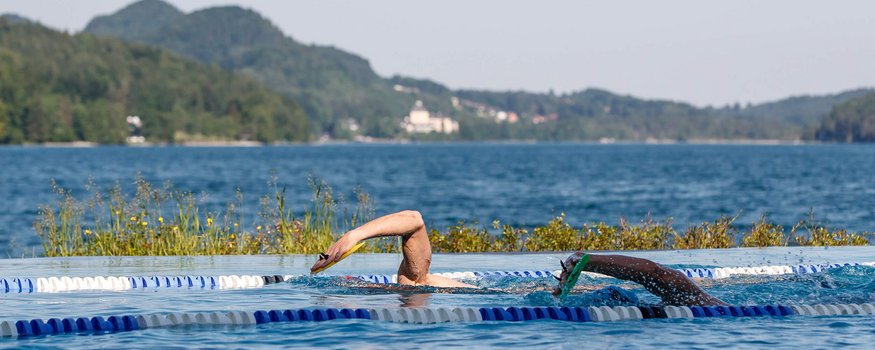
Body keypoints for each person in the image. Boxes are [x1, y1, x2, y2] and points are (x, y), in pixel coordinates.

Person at [310, 210, 727, 306]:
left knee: (660, 280)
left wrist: (354, 235)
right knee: (662, 280)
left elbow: (416, 221)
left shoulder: (414, 287)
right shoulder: (415, 287)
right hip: (544, 293)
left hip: (526, 295)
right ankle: (588, 261)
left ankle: (589, 262)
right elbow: (415, 223)